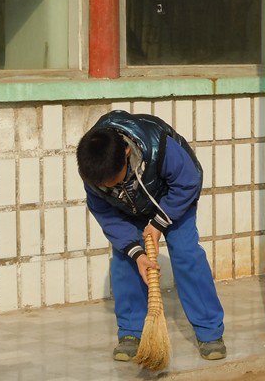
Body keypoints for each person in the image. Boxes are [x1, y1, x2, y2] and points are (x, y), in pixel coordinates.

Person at [76, 110, 225, 362]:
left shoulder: (160, 146)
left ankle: (210, 332)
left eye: (114, 180)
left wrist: (158, 223)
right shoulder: (94, 172)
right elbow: (106, 215)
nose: (109, 187)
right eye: (105, 185)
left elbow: (188, 181)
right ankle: (131, 332)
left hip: (172, 198)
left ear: (126, 152)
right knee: (124, 260)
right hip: (126, 206)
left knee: (186, 253)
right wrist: (137, 253)